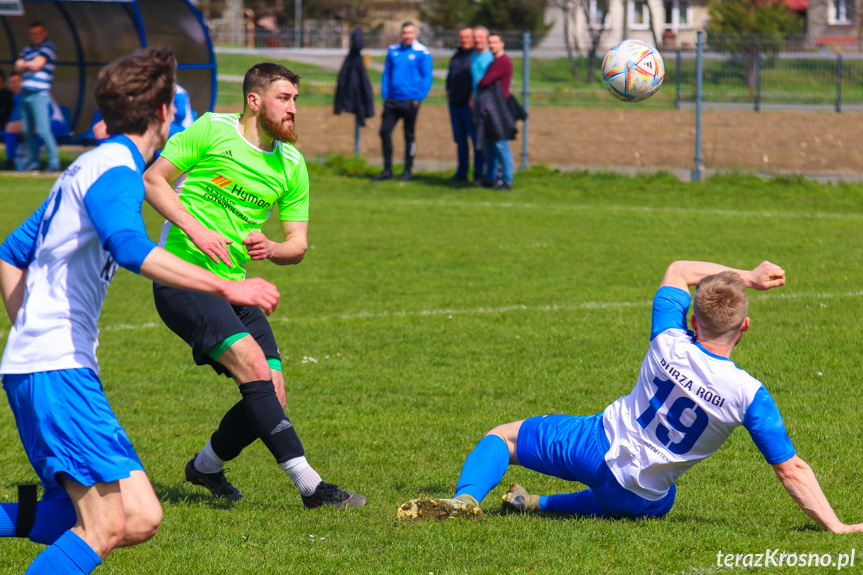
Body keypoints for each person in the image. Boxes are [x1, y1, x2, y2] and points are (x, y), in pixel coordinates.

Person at [0, 47, 281, 575]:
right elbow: (131, 247)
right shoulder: (118, 169)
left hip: (48, 365)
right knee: (107, 525)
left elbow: (10, 252)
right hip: (55, 369)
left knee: (142, 516)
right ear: (165, 114)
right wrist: (228, 288)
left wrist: (29, 332)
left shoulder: (90, 163)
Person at [399, 260, 863, 533]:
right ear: (744, 327)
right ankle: (535, 504)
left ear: (693, 319)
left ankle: (466, 499)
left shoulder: (669, 339)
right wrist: (836, 525)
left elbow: (679, 270)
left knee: (503, 439)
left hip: (593, 446)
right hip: (639, 493)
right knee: (662, 499)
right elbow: (791, 470)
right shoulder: (749, 395)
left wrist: (749, 275)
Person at [143, 62, 366, 509]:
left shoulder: (291, 164)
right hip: (182, 278)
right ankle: (312, 488)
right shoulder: (211, 131)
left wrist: (272, 246)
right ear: (254, 101)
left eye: (296, 100)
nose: (294, 110)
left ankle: (204, 466)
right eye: (285, 99)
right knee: (252, 367)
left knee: (274, 392)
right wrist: (196, 230)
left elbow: (298, 245)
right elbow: (152, 180)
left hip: (235, 288)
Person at [372, 21, 433, 182]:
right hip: (392, 100)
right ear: (401, 34)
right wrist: (385, 94)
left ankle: (407, 170)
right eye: (404, 33)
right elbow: (387, 73)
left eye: (410, 33)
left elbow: (427, 77)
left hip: (410, 101)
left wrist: (418, 98)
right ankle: (387, 170)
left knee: (409, 135)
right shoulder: (393, 50)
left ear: (416, 34)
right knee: (384, 132)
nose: (407, 36)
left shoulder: (422, 52)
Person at [14, 21, 60, 173]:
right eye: (33, 34)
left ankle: (54, 163)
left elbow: (36, 65)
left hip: (39, 94)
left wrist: (25, 64)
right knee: (27, 131)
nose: (36, 36)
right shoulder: (27, 49)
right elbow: (17, 66)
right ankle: (34, 162)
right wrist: (29, 64)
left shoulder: (48, 47)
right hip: (25, 93)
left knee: (42, 130)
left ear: (44, 33)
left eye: (38, 33)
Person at [476, 32, 514, 191]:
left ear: (502, 44)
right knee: (490, 144)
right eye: (490, 42)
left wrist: (481, 83)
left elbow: (485, 81)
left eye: (495, 42)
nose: (492, 45)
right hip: (491, 109)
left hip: (499, 108)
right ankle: (490, 177)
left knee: (501, 144)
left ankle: (507, 179)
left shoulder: (503, 62)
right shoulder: (494, 61)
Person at [446, 27, 483, 184]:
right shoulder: (456, 56)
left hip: (470, 106)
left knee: (476, 141)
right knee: (460, 142)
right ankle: (462, 173)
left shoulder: (476, 56)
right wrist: (448, 92)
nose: (464, 40)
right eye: (462, 37)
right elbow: (450, 76)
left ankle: (479, 173)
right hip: (455, 105)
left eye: (467, 37)